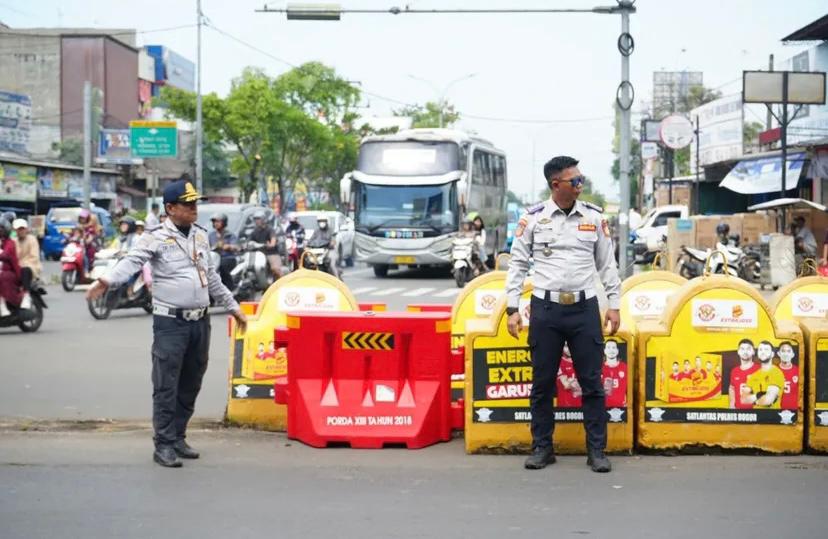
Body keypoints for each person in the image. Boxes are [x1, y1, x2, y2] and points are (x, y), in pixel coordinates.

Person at [86, 179, 247, 468]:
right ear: (171, 208)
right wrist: (106, 280)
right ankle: (163, 444)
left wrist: (234, 308)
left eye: (196, 203)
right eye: (188, 204)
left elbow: (211, 277)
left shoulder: (200, 235)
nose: (194, 208)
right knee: (166, 384)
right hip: (170, 322)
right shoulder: (154, 237)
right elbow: (132, 261)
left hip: (200, 321)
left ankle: (178, 436)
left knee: (191, 382)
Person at [505, 155, 620, 473]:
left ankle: (596, 449)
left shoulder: (594, 218)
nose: (581, 185)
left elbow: (607, 264)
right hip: (546, 310)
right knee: (542, 383)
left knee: (592, 383)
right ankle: (542, 447)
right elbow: (516, 264)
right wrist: (512, 308)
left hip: (584, 309)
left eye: (582, 179)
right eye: (575, 180)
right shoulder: (533, 219)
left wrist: (614, 304)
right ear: (557, 185)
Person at [743, 341, 785, 409]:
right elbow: (744, 399)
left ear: (772, 354)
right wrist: (757, 395)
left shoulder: (776, 373)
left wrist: (753, 400)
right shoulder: (754, 375)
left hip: (771, 417)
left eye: (766, 349)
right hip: (756, 417)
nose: (763, 352)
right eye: (760, 349)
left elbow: (768, 400)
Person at [12, 219, 40, 309]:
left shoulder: (32, 239)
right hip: (16, 268)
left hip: (31, 267)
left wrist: (20, 264)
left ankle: (26, 295)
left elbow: (34, 257)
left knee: (25, 269)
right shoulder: (13, 241)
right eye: (18, 229)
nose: (21, 231)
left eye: (22, 229)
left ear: (26, 229)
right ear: (15, 230)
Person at [208, 213, 239, 290]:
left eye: (218, 222)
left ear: (224, 222)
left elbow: (236, 246)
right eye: (214, 222)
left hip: (227, 258)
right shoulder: (211, 235)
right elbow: (207, 247)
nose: (216, 224)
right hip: (214, 259)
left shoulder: (229, 235)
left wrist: (228, 246)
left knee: (222, 266)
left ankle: (230, 288)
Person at [249, 210, 283, 279]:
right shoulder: (255, 231)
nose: (256, 221)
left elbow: (273, 240)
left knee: (275, 269)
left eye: (258, 219)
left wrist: (271, 244)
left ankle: (280, 284)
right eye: (255, 219)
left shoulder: (270, 230)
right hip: (258, 254)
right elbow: (249, 241)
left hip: (271, 253)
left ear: (263, 219)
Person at [0, 218, 22, 317]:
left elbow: (6, 255)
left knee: (3, 277)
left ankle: (3, 305)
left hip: (10, 271)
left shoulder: (10, 243)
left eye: (1, 229)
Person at [729, 339, 759, 410]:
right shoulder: (734, 371)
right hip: (739, 414)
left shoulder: (760, 369)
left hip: (756, 414)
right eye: (742, 349)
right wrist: (732, 404)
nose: (745, 352)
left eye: (748, 349)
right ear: (738, 352)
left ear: (753, 352)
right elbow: (731, 388)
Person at [602, 340, 626, 408]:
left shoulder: (625, 367)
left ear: (617, 351)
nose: (611, 350)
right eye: (608, 347)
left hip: (621, 408)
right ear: (604, 351)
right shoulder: (598, 368)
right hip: (603, 408)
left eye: (613, 347)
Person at [777, 341, 799, 410]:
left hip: (795, 411)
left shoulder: (799, 371)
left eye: (788, 351)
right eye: (783, 351)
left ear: (792, 354)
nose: (786, 354)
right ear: (778, 354)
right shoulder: (773, 370)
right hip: (777, 410)